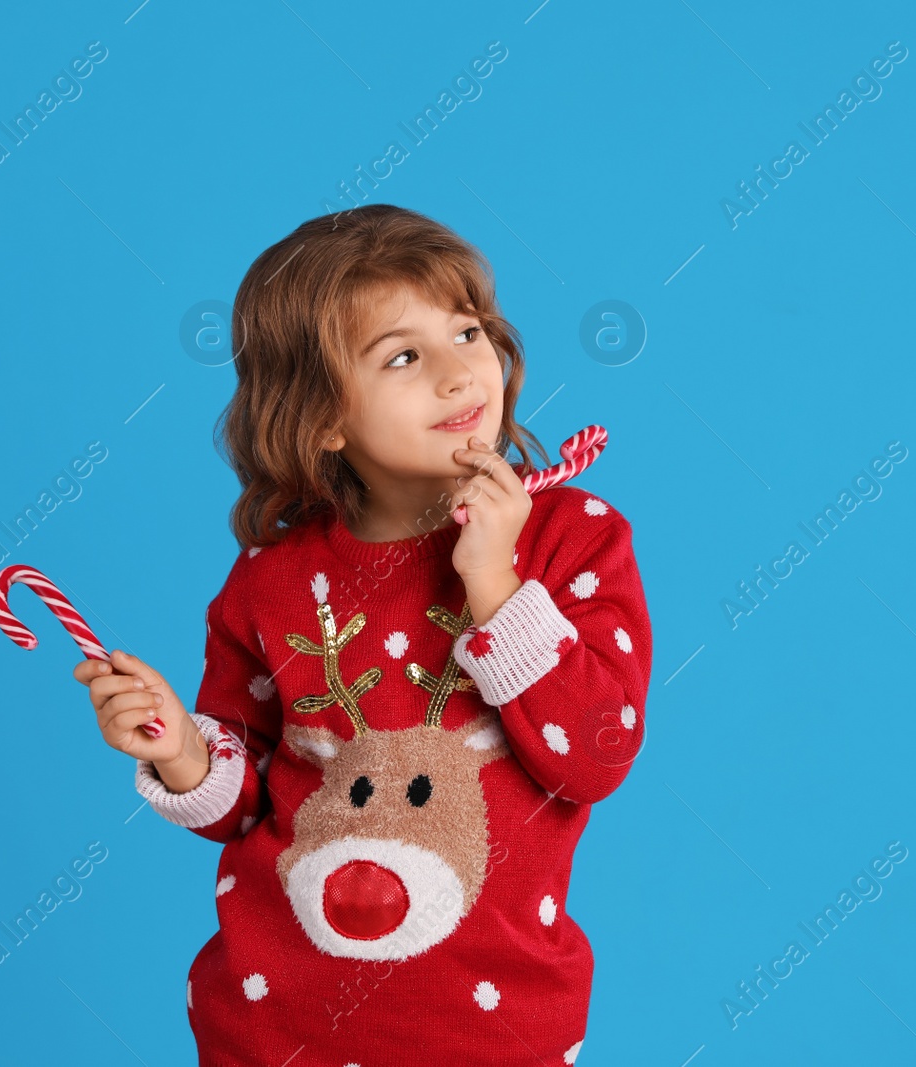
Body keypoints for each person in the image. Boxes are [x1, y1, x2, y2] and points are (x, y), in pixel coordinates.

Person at [74, 204, 652, 1065]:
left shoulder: (571, 538)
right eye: (405, 356)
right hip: (274, 1020)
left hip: (495, 1022)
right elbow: (244, 802)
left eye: (468, 331)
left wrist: (492, 583)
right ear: (325, 417)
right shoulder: (270, 580)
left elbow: (593, 756)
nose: (462, 374)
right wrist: (179, 745)